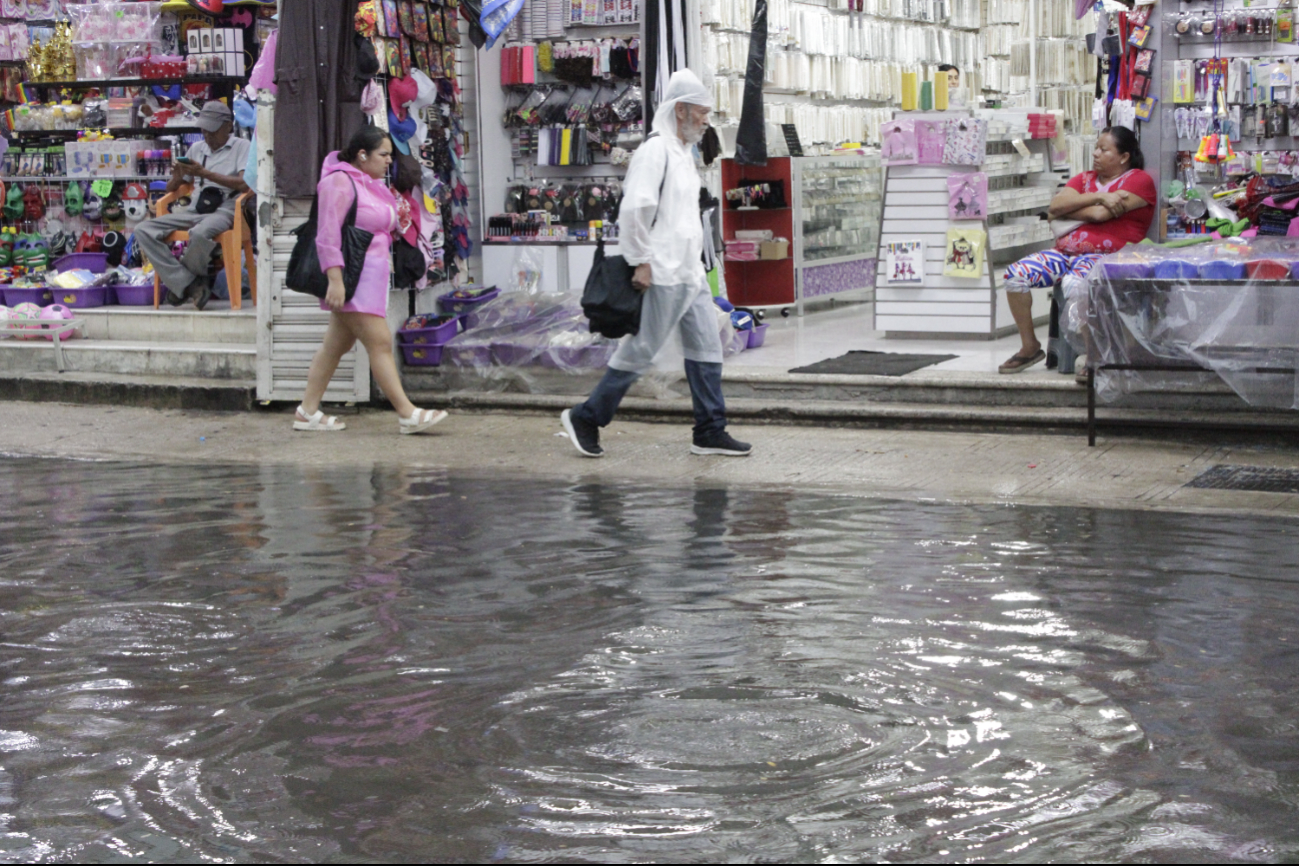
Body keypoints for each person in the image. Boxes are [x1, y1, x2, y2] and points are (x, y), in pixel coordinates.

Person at [560, 70, 751, 459]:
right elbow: (634, 210)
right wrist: (640, 261)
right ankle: (587, 416)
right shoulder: (656, 150)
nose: (705, 120)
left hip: (688, 270)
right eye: (701, 112)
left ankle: (710, 430)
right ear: (680, 110)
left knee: (706, 346)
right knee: (641, 350)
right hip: (663, 269)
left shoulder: (683, 152)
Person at [292, 126, 447, 434]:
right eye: (383, 154)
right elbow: (327, 234)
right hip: (352, 278)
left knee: (334, 347)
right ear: (362, 155)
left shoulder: (370, 184)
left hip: (366, 277)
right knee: (379, 341)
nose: (389, 161)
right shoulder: (338, 182)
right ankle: (407, 413)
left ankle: (307, 412)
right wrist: (335, 279)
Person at [998, 126, 1155, 374]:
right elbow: (1056, 205)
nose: (1096, 154)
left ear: (1124, 157)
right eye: (1096, 148)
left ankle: (1095, 356)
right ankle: (1030, 347)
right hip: (1064, 252)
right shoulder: (1083, 179)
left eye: (1104, 150)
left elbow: (1099, 216)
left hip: (1108, 256)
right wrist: (1098, 198)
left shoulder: (1139, 181)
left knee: (1075, 284)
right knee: (1015, 275)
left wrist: (1076, 208)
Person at [136, 101, 251, 310]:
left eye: (213, 130)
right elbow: (172, 188)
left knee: (199, 233)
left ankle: (183, 285)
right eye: (204, 130)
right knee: (143, 229)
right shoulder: (197, 148)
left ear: (228, 126)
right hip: (195, 208)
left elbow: (244, 184)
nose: (208, 135)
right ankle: (190, 284)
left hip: (225, 209)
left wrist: (204, 174)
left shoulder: (242, 147)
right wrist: (177, 176)